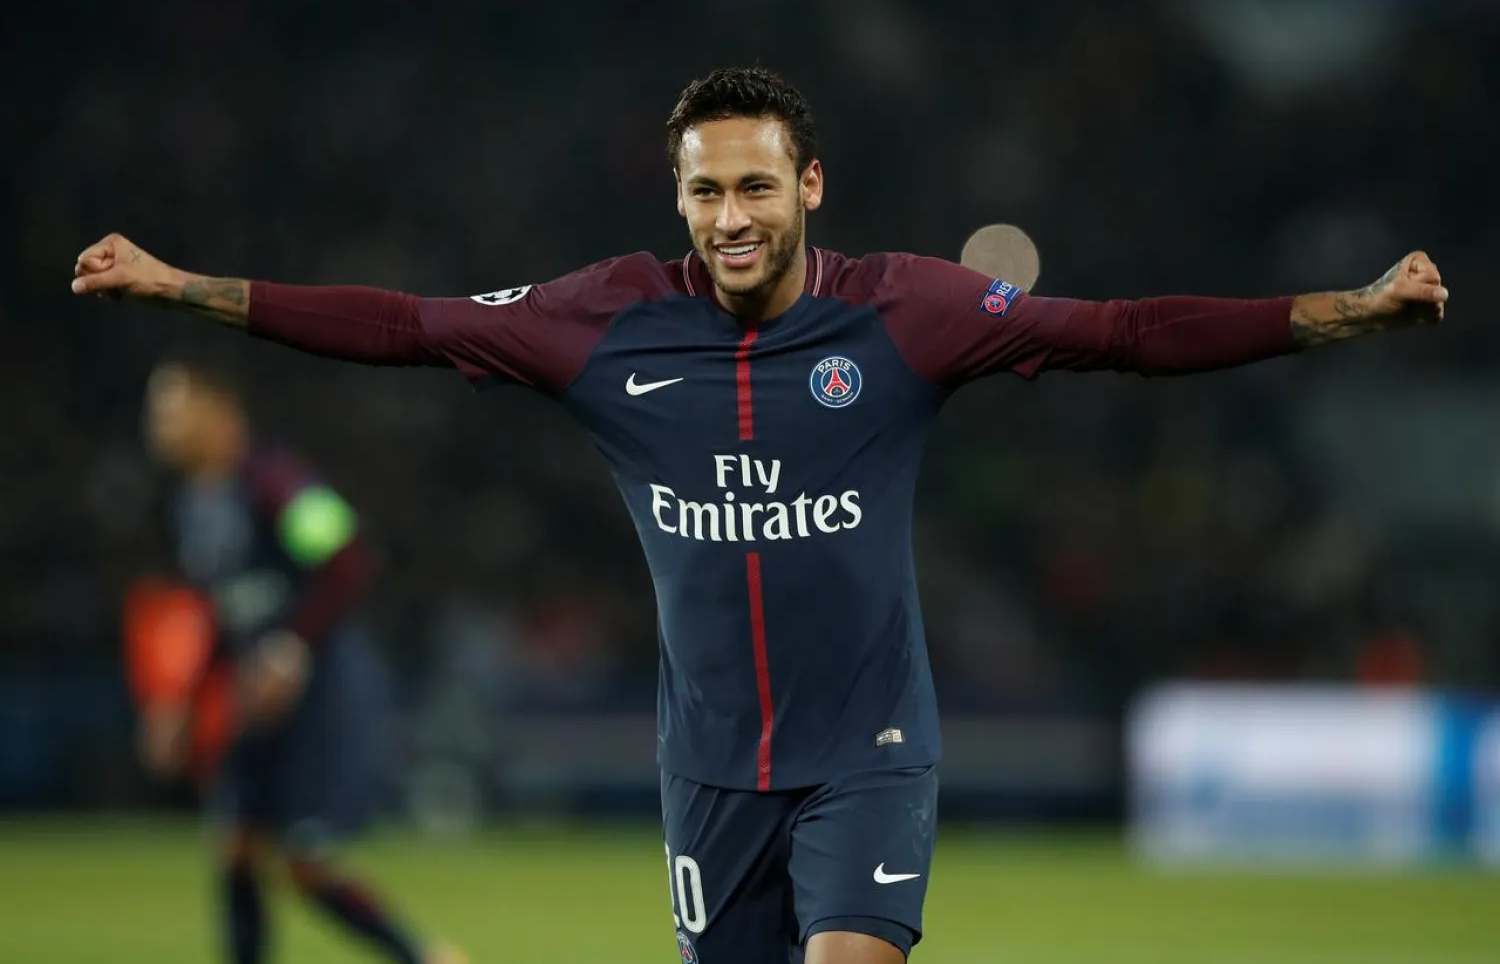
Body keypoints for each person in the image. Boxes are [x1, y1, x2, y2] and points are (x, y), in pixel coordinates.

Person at [72, 66, 1446, 964]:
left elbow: (1131, 332)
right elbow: (400, 326)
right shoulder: (604, 319)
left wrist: (1347, 313)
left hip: (871, 751)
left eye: (755, 184)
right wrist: (185, 284)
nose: (731, 214)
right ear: (680, 199)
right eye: (705, 189)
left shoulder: (908, 310)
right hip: (712, 770)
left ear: (810, 188)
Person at [133, 359, 461, 964]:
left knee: (304, 862)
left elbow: (345, 557)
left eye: (174, 409)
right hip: (253, 700)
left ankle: (427, 957)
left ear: (220, 410)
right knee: (233, 845)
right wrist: (178, 702)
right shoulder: (193, 504)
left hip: (319, 693)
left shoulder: (275, 481)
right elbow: (218, 617)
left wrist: (292, 648)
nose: (160, 425)